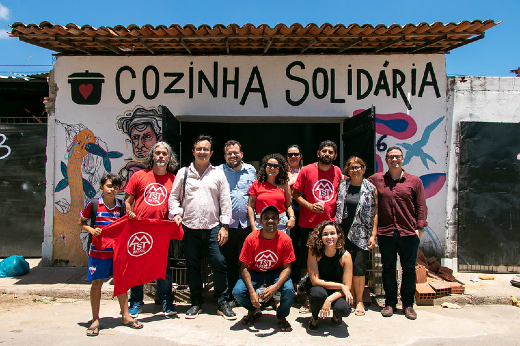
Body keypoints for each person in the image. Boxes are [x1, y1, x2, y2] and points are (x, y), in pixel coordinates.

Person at [168, 135, 236, 320]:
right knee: (192, 266)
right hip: (189, 228)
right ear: (193, 151)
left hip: (213, 227)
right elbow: (173, 197)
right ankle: (196, 302)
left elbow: (225, 201)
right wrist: (176, 213)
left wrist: (225, 226)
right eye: (199, 149)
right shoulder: (183, 173)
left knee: (219, 263)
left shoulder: (218, 174)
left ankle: (222, 301)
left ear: (211, 152)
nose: (202, 152)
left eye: (206, 149)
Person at [368, 146, 427, 320]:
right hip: (386, 232)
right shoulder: (376, 179)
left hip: (408, 232)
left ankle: (408, 304)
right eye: (391, 157)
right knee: (388, 268)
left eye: (397, 157)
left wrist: (420, 228)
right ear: (386, 160)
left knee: (408, 269)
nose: (394, 159)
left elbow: (421, 206)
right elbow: (358, 180)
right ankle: (390, 302)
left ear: (403, 159)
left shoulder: (414, 181)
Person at [80, 173, 143, 336]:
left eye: (116, 188)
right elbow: (82, 222)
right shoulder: (93, 205)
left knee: (121, 283)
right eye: (109, 186)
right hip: (98, 253)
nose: (112, 190)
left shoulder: (121, 206)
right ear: (102, 187)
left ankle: (126, 316)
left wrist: (131, 217)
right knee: (97, 284)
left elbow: (126, 225)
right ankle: (95, 319)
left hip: (117, 253)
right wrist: (92, 230)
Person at [124, 141, 179, 318]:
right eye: (158, 153)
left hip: (161, 231)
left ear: (169, 158)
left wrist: (177, 216)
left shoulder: (173, 179)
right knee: (137, 267)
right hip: (139, 230)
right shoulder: (139, 176)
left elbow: (176, 204)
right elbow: (127, 201)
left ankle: (165, 299)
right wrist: (130, 214)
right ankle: (136, 301)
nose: (161, 156)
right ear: (152, 156)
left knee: (163, 268)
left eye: (164, 153)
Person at [292, 140, 343, 313]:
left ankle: (328, 296)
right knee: (308, 263)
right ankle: (308, 299)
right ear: (318, 153)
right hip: (309, 226)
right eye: (324, 151)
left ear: (335, 156)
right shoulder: (306, 170)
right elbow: (295, 193)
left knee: (329, 262)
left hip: (330, 227)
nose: (327, 154)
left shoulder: (338, 172)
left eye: (330, 152)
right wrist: (309, 205)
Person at [232, 205, 296, 332]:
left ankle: (281, 316)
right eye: (266, 218)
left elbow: (288, 268)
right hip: (255, 272)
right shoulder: (251, 238)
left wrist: (275, 287)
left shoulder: (285, 240)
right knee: (238, 292)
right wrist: (251, 291)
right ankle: (253, 310)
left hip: (276, 272)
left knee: (289, 290)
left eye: (274, 218)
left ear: (279, 221)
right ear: (260, 221)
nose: (270, 221)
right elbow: (244, 267)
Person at [335, 156, 378, 316]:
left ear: (364, 168)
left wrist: (373, 235)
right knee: (344, 267)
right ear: (348, 170)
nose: (355, 170)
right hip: (343, 233)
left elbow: (375, 213)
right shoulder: (342, 186)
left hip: (362, 235)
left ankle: (359, 300)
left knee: (359, 268)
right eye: (352, 168)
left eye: (358, 167)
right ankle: (347, 298)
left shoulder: (370, 188)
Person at [218, 140, 257, 301]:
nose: (233, 155)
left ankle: (248, 292)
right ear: (225, 155)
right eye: (229, 153)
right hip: (228, 225)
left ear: (241, 154)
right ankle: (232, 295)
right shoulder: (218, 171)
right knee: (230, 261)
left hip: (248, 224)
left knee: (248, 260)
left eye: (235, 153)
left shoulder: (251, 170)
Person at [306, 221, 353, 332]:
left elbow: (347, 287)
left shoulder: (345, 256)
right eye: (325, 234)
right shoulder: (314, 252)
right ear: (320, 237)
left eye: (332, 233)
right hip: (319, 288)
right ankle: (314, 318)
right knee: (317, 294)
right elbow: (315, 281)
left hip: (337, 292)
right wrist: (341, 286)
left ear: (338, 235)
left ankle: (337, 317)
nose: (329, 237)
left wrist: (329, 299)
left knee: (344, 309)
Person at [247, 153, 295, 234]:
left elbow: (289, 205)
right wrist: (253, 226)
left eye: (276, 166)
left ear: (280, 169)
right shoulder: (256, 184)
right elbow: (250, 207)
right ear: (265, 167)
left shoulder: (284, 184)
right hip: (261, 223)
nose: (272, 168)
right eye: (269, 165)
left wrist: (292, 218)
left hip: (281, 223)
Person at [116, 107, 162, 187]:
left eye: (147, 137)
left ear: (159, 139)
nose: (140, 145)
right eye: (135, 138)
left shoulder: (164, 171)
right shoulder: (132, 172)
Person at [286, 145, 303, 290]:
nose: (293, 157)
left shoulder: (305, 172)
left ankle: (298, 282)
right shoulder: (281, 173)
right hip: (285, 212)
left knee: (299, 247)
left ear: (300, 156)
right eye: (290, 154)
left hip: (302, 212)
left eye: (296, 154)